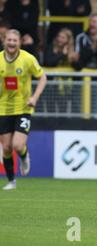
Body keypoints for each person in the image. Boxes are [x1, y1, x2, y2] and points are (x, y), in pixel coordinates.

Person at [0, 29, 47, 190]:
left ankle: (24, 156)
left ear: (19, 42)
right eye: (9, 40)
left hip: (23, 108)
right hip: (3, 109)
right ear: (4, 41)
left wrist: (34, 97)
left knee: (17, 145)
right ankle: (11, 181)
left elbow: (43, 77)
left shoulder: (27, 59)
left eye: (15, 40)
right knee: (6, 148)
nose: (12, 43)